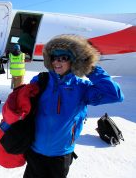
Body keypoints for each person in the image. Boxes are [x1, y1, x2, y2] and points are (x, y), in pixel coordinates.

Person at [24, 34, 124, 178]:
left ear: (73, 61)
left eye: (63, 57)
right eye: (54, 57)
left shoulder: (81, 88)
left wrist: (90, 68)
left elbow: (115, 94)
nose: (57, 62)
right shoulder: (41, 80)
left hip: (61, 155)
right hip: (35, 152)